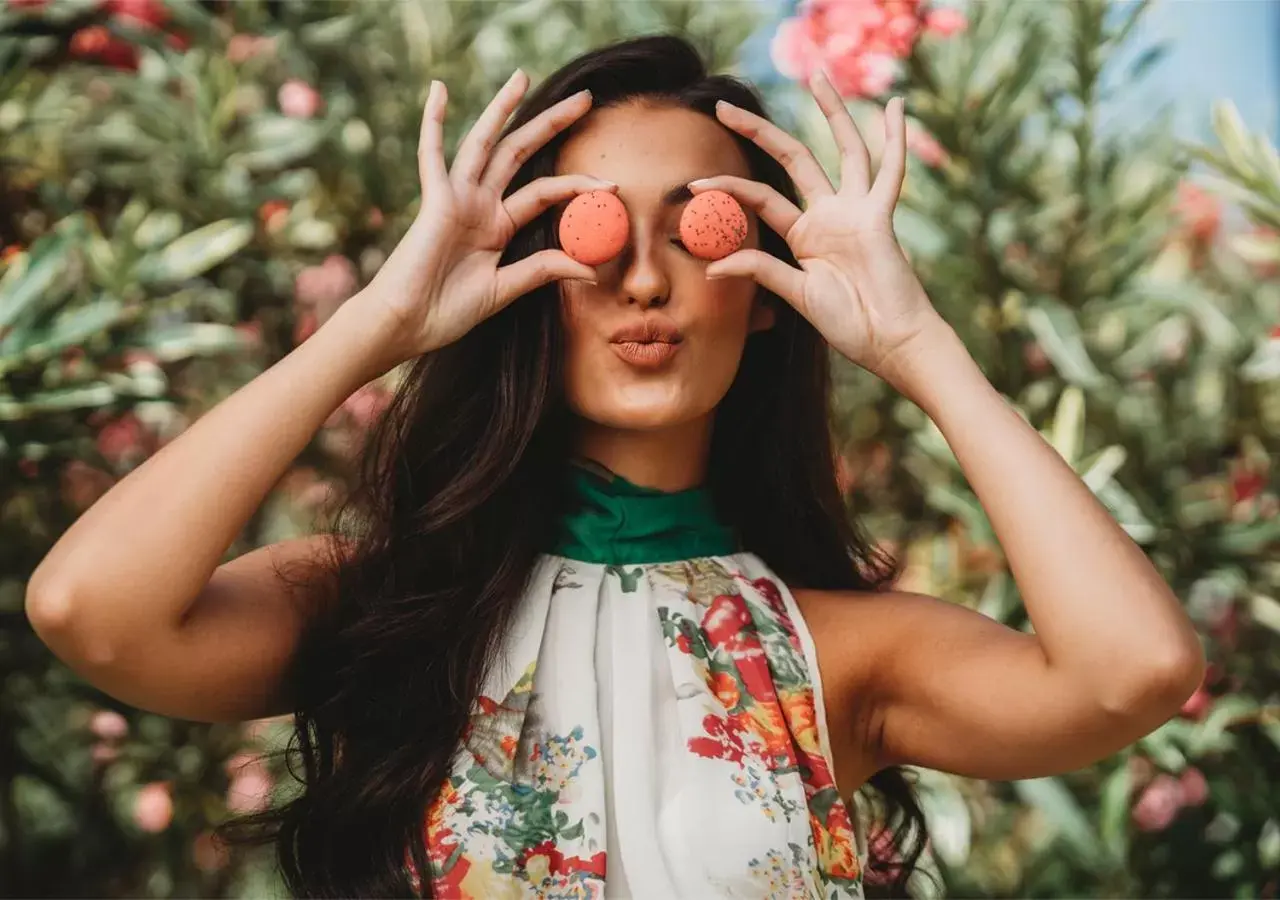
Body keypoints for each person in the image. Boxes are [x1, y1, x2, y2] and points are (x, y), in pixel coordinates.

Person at [25, 34, 1204, 900]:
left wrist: (919, 349)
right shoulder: (385, 608)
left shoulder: (831, 651)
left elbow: (1133, 672)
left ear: (766, 296)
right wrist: (380, 322)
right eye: (587, 227)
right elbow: (92, 609)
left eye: (699, 228)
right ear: (522, 283)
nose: (641, 278)